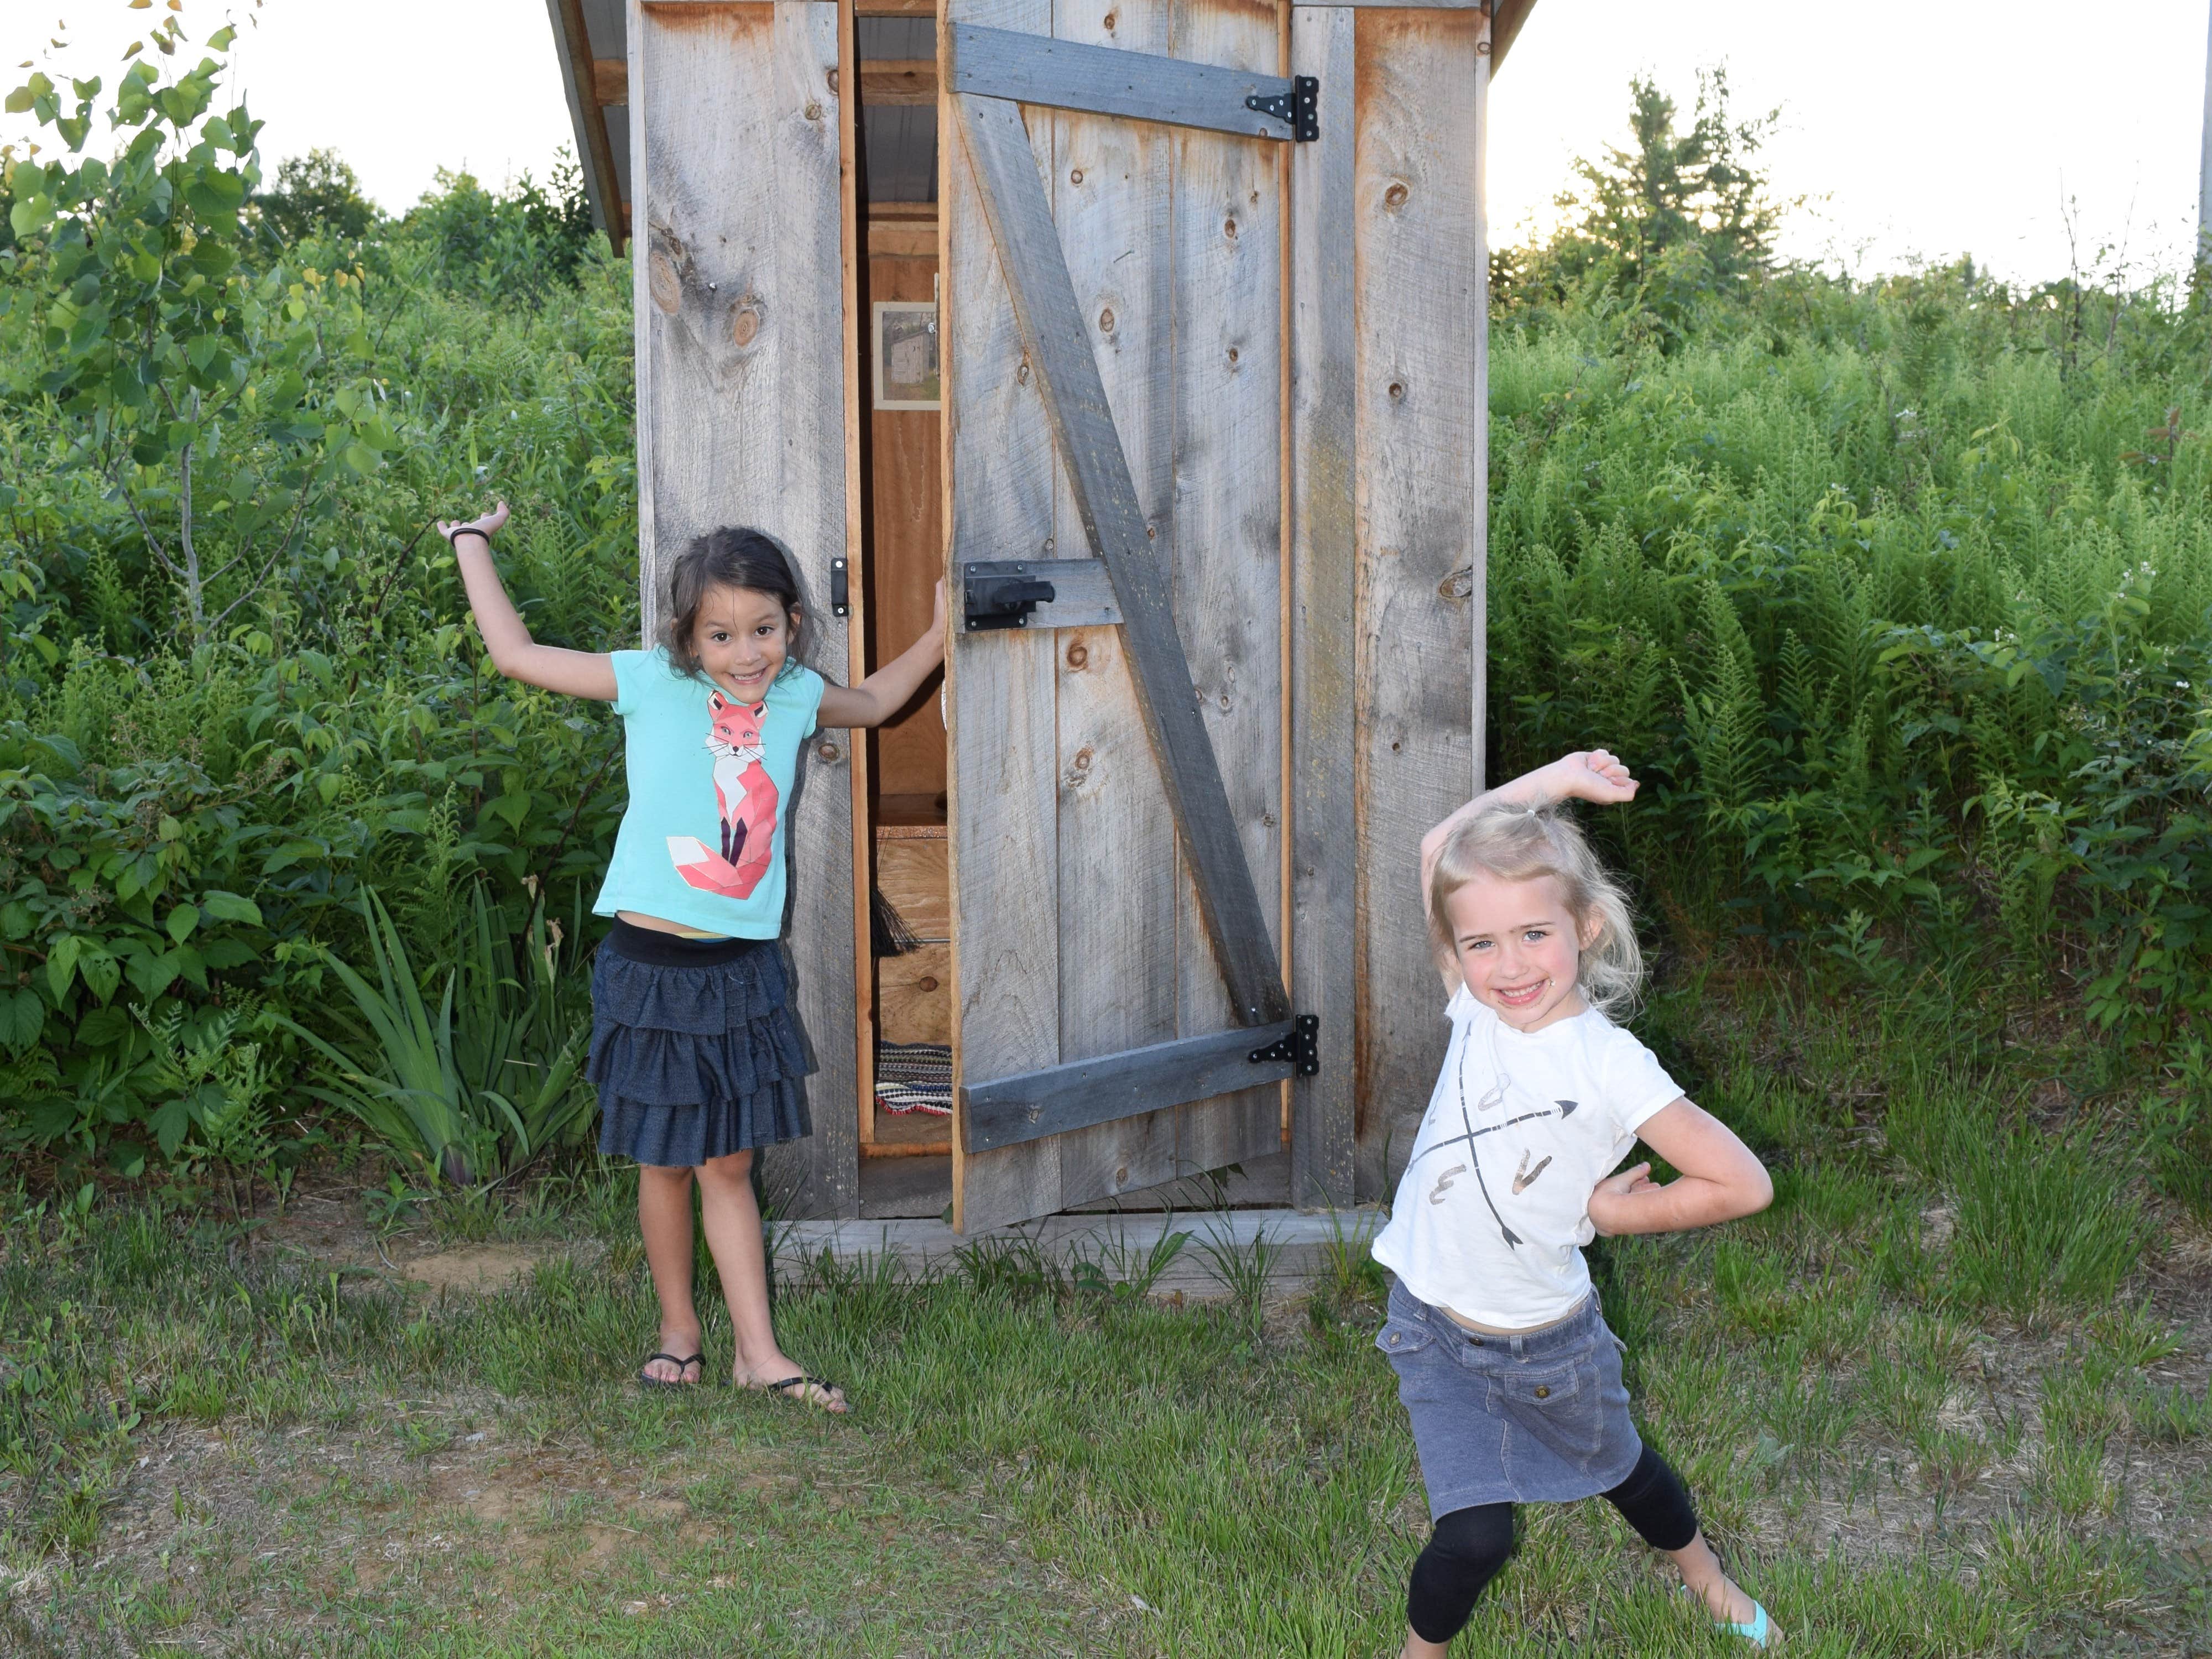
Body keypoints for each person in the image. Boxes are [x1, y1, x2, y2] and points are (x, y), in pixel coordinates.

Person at [437, 503, 947, 1412]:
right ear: (687, 637)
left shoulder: (794, 693)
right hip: (648, 968)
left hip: (739, 972)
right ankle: (680, 1331)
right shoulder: (650, 684)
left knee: (730, 1165)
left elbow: (872, 702)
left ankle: (760, 1351)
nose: (746, 652)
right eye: (722, 634)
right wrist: (470, 544)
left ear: (792, 623)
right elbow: (516, 655)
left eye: (763, 629)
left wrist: (944, 630)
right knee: (664, 1162)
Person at [1371, 750, 1778, 1652]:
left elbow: (1743, 1182)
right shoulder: (1473, 1009)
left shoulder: (1610, 1065)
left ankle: (1705, 1577)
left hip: (1545, 1345)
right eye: (1480, 943)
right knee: (1473, 1535)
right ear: (1456, 948)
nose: (1509, 965)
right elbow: (1444, 844)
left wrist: (1616, 1214)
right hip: (1430, 1322)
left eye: (1533, 935)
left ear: (1585, 926)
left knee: (1625, 1472)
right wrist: (1554, 779)